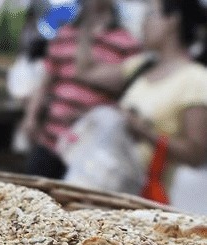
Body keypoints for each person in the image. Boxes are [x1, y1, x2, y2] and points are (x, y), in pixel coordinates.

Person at [75, 0, 207, 200]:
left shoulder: (196, 80)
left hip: (139, 199)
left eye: (151, 14)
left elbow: (197, 155)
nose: (144, 22)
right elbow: (84, 72)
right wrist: (88, 20)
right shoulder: (141, 66)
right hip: (103, 183)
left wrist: (144, 131)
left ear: (173, 20)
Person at [21, 0, 140, 179]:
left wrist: (91, 115)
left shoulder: (127, 42)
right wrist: (31, 117)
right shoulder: (65, 33)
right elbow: (45, 81)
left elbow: (128, 94)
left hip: (92, 150)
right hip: (52, 139)